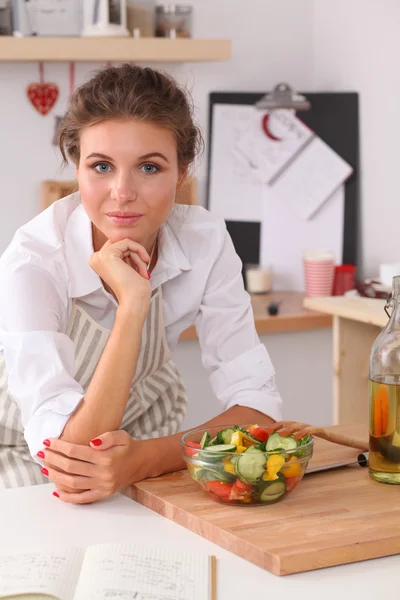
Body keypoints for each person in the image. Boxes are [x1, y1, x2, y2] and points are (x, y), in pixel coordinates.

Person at [0, 64, 282, 503]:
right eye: (101, 166)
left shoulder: (205, 241)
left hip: (149, 444)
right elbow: (71, 455)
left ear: (181, 172)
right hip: (21, 454)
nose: (122, 192)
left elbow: (259, 407)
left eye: (149, 167)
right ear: (77, 167)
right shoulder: (34, 261)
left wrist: (147, 458)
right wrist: (133, 305)